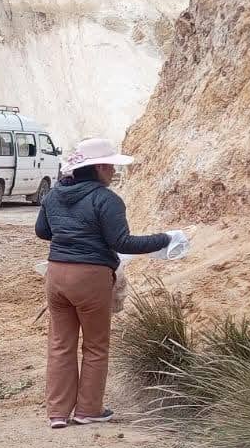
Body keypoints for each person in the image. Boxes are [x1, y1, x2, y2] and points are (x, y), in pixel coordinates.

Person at [35, 138, 181, 429]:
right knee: (95, 345)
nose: (114, 171)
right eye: (111, 166)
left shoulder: (53, 195)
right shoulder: (106, 199)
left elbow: (42, 231)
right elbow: (121, 242)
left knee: (60, 343)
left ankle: (58, 413)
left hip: (56, 273)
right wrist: (166, 238)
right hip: (90, 276)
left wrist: (71, 236)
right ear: (99, 167)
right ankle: (88, 409)